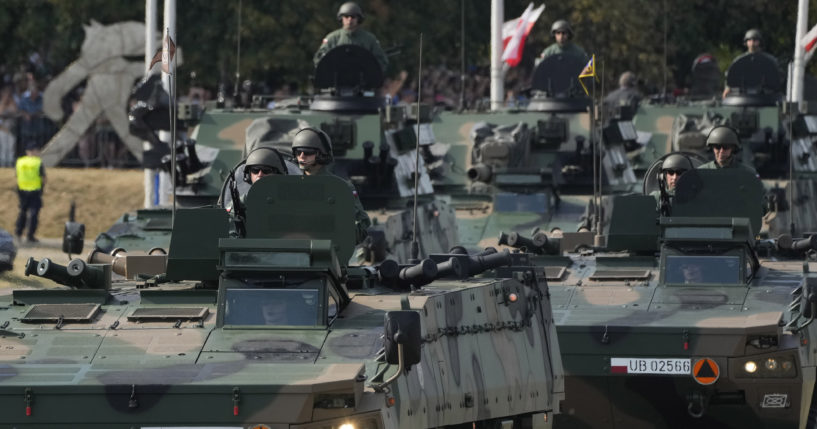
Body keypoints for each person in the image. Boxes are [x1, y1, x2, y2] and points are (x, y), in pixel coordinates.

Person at [291, 127, 371, 243]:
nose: (302, 156)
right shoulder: (288, 185)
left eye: (308, 152)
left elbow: (362, 227)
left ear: (321, 154)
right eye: (298, 152)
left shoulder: (341, 188)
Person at [314, 2, 388, 72]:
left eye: (353, 16)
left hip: (362, 81)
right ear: (341, 18)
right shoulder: (332, 38)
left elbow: (381, 61)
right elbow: (319, 59)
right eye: (346, 16)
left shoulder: (369, 39)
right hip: (337, 81)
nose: (349, 19)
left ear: (358, 18)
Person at [226, 146, 288, 213]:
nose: (260, 174)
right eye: (255, 170)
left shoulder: (289, 202)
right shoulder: (240, 204)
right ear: (249, 175)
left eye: (266, 170)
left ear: (277, 175)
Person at [722, 29, 777, 98]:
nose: (752, 42)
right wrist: (727, 88)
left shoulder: (770, 60)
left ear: (759, 42)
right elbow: (731, 75)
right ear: (746, 42)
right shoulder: (739, 61)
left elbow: (776, 78)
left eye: (755, 40)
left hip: (765, 97)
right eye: (749, 40)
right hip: (743, 97)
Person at [15, 143, 46, 243]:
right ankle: (30, 235)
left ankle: (18, 233)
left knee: (22, 212)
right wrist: (42, 187)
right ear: (34, 151)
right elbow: (43, 177)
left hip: (22, 190)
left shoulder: (20, 161)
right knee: (34, 213)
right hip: (35, 190)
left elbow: (17, 175)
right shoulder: (37, 162)